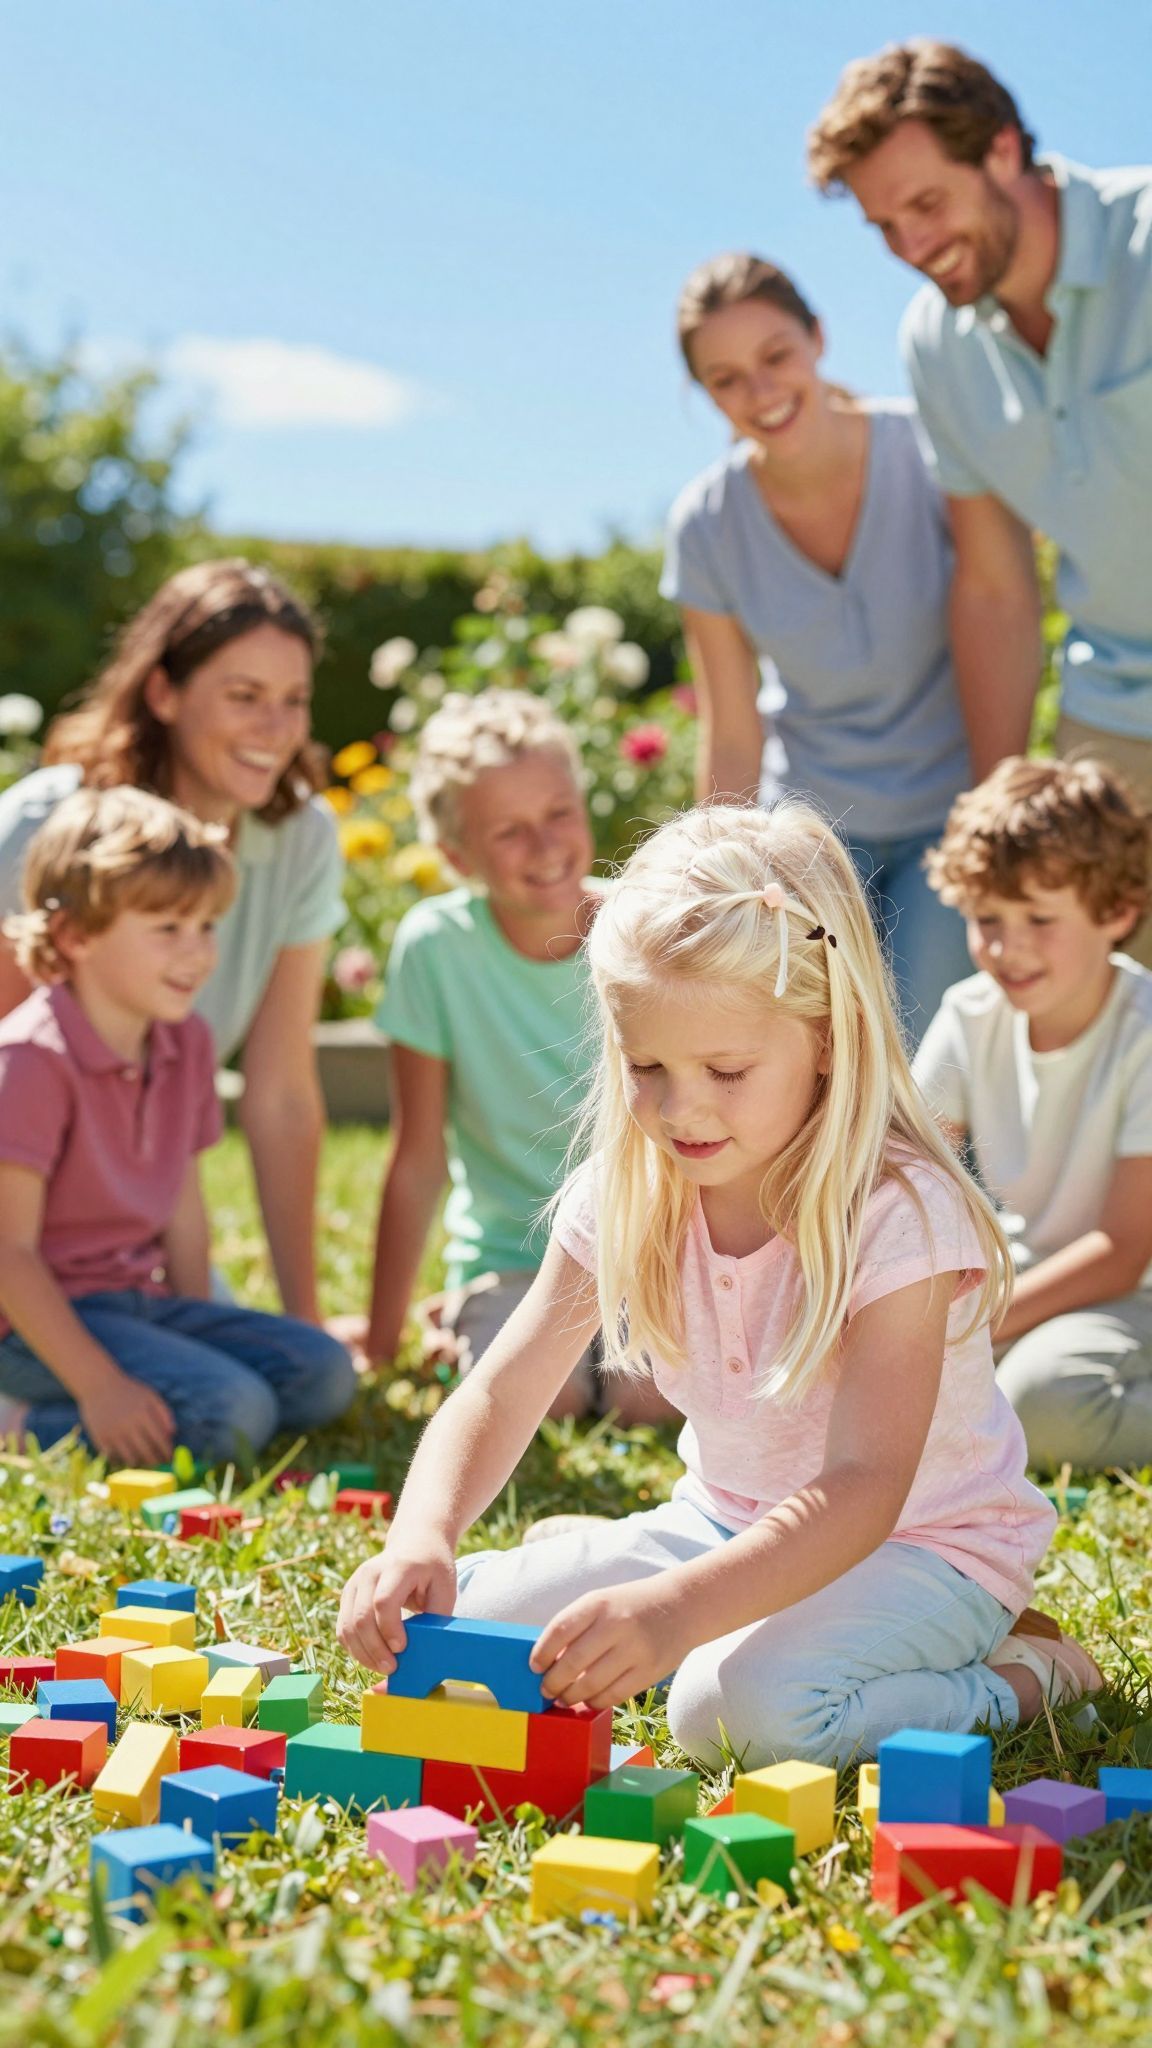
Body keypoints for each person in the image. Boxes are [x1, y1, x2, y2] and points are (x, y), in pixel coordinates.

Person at [338, 800, 1101, 1770]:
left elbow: (866, 1489)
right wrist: (422, 1535)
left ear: (827, 1035)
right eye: (645, 1063)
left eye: (726, 1069)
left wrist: (676, 1611)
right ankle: (684, 1618)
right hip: (719, 1520)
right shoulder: (635, 1182)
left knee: (729, 1713)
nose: (679, 1107)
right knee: (458, 1631)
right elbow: (501, 1385)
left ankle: (1027, 1674)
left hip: (924, 1546)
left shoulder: (897, 1211)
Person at [809, 40, 1152, 964]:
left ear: (1003, 149)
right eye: (886, 226)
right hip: (1115, 708)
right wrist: (993, 810)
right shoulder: (937, 343)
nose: (914, 247)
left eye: (926, 204)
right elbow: (996, 587)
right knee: (1102, 1012)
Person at [0, 558, 345, 1319]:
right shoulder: (40, 827)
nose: (275, 728)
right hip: (14, 1239)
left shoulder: (301, 841)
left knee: (268, 1381)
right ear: (163, 692)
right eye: (244, 696)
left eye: (293, 700)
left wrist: (305, 1320)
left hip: (129, 1253)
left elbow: (282, 1096)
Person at [662, 252, 972, 1040]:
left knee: (925, 1043)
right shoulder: (706, 524)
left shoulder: (928, 449)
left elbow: (1000, 607)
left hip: (949, 805)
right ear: (702, 394)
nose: (760, 393)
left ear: (819, 339)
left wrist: (992, 800)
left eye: (776, 356)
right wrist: (716, 876)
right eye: (725, 379)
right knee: (820, 1041)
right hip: (811, 825)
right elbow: (732, 727)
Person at [0, 786, 356, 1464]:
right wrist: (100, 1386)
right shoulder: (30, 1060)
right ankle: (18, 1422)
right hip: (33, 1327)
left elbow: (182, 1207)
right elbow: (8, 1256)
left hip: (143, 1303)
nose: (196, 954)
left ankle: (158, 1394)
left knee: (323, 1372)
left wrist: (204, 1330)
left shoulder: (184, 1042)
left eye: (206, 926)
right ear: (76, 935)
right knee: (230, 1411)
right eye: (167, 929)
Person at [363, 688, 672, 1425]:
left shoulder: (646, 929)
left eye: (559, 813)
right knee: (545, 1401)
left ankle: (484, 1335)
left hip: (651, 1255)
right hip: (515, 1261)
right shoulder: (435, 949)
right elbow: (417, 1157)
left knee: (648, 1400)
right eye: (509, 831)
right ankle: (465, 1317)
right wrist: (378, 1346)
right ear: (454, 854)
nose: (545, 846)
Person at [915, 756, 1152, 1471]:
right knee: (913, 1388)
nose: (1005, 946)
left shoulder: (1143, 1032)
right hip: (1028, 1284)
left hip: (1132, 1298)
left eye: (1039, 919)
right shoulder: (970, 1013)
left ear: (1116, 912)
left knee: (1041, 1398)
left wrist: (970, 1326)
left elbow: (1122, 1251)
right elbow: (907, 1169)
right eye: (987, 918)